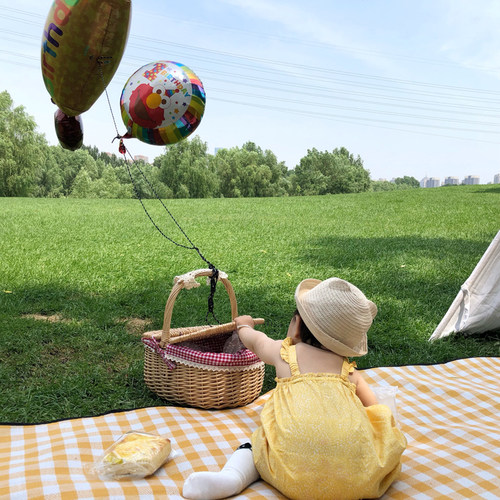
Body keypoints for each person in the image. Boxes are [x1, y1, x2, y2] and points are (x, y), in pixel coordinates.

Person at [183, 277, 407, 500]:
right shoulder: (347, 370)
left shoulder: (286, 354)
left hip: (294, 476)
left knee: (258, 445)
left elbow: (256, 341)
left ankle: (232, 477)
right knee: (376, 430)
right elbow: (375, 407)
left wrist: (244, 325)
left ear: (297, 326)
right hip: (357, 481)